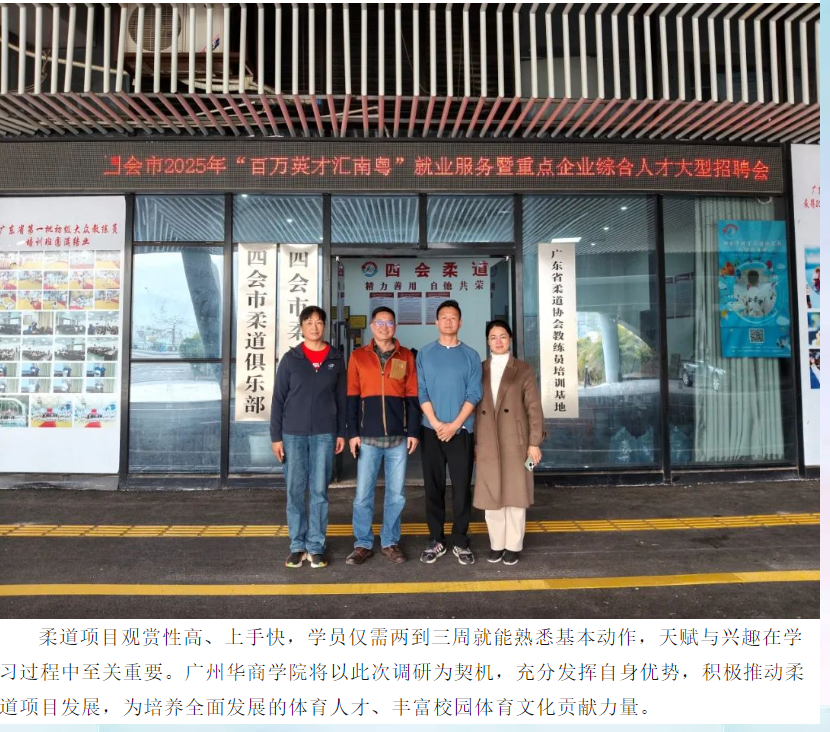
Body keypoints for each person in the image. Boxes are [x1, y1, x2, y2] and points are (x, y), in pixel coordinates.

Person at [270, 305, 346, 569]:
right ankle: (297, 546)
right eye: (309, 322)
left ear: (324, 326)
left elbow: (342, 399)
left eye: (319, 322)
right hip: (293, 434)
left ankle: (316, 546)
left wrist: (341, 433)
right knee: (294, 490)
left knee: (319, 491)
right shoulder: (291, 359)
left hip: (325, 434)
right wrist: (276, 437)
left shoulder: (336, 358)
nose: (314, 327)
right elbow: (278, 399)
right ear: (301, 327)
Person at [345, 306, 420, 565]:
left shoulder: (406, 356)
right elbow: (352, 397)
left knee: (396, 495)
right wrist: (352, 433)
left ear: (395, 327)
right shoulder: (358, 356)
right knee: (362, 495)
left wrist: (413, 431)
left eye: (389, 323)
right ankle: (363, 544)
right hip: (367, 439)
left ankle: (390, 541)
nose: (384, 327)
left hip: (398, 439)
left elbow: (412, 396)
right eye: (380, 322)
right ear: (372, 326)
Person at [473, 320, 544, 566]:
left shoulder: (522, 369)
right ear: (488, 341)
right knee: (491, 494)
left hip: (516, 441)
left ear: (510, 339)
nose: (498, 341)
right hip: (487, 440)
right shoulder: (479, 369)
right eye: (493, 337)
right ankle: (496, 544)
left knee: (515, 494)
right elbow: (473, 407)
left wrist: (534, 443)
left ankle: (513, 545)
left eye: (503, 336)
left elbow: (534, 408)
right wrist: (475, 443)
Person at [416, 299, 482, 565]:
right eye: (443, 317)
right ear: (436, 322)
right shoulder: (425, 353)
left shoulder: (471, 355)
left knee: (462, 488)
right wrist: (435, 422)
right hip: (430, 430)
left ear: (460, 322)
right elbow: (422, 391)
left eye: (453, 317)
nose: (448, 321)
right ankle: (436, 539)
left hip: (461, 431)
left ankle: (460, 540)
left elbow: (474, 393)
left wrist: (454, 425)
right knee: (433, 487)